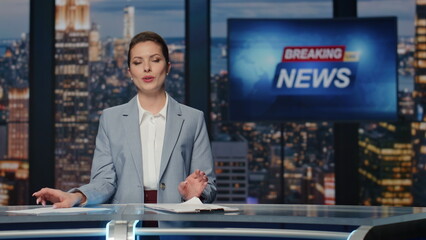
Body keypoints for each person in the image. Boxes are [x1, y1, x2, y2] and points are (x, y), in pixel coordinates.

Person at [33, 31, 217, 208]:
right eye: (138, 62)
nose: (147, 68)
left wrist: (194, 194)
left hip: (177, 226)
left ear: (168, 67)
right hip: (126, 224)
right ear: (130, 71)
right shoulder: (111, 119)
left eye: (155, 60)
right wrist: (76, 196)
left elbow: (209, 186)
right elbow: (104, 182)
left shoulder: (193, 118)